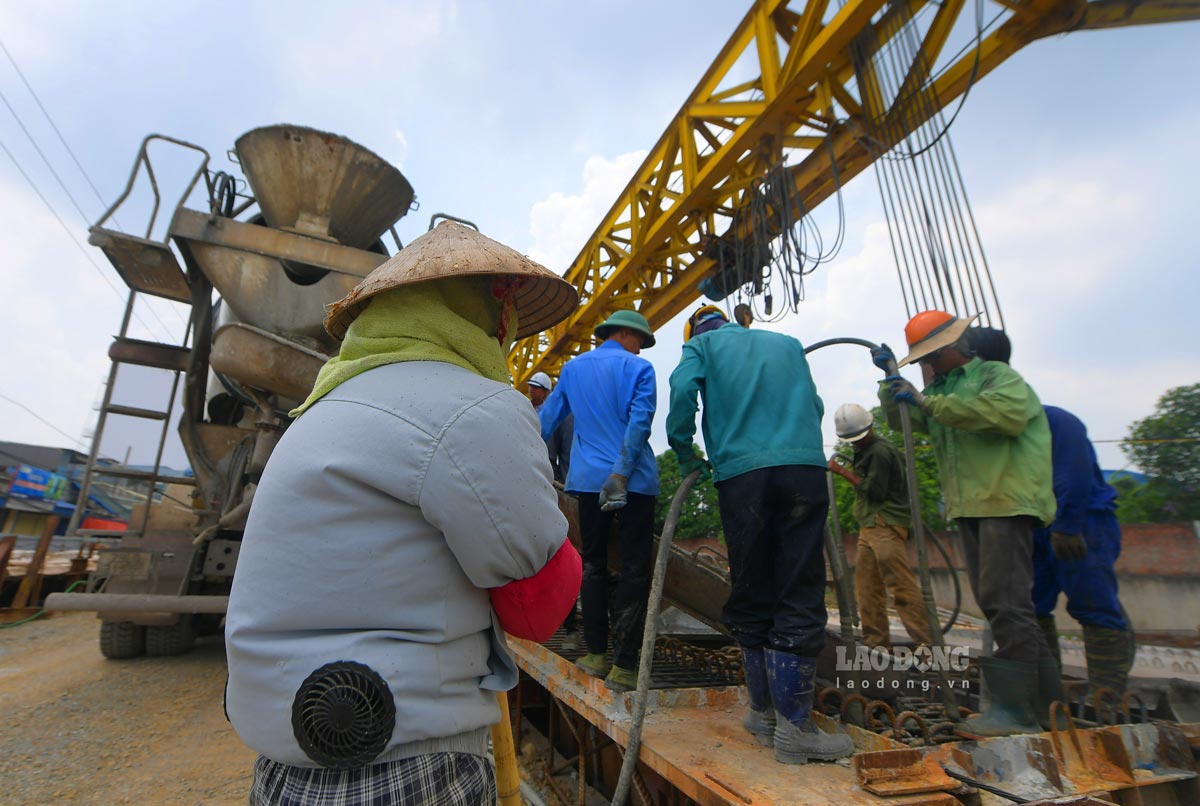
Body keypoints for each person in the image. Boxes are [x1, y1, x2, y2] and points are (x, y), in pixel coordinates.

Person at [225, 221, 583, 805]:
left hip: (290, 758)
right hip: (406, 767)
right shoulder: (479, 407)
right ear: (492, 315)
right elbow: (536, 608)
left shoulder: (317, 412)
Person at [666, 306, 854, 764]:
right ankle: (792, 721)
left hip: (742, 476)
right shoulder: (787, 344)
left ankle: (767, 715)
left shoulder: (701, 346)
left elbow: (681, 391)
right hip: (802, 469)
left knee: (751, 584)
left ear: (694, 331)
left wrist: (684, 449)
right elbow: (814, 405)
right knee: (798, 585)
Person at [877, 310, 1059, 736]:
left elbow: (1004, 415)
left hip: (1005, 500)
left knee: (1005, 602)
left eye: (931, 357)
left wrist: (926, 399)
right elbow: (904, 420)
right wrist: (890, 384)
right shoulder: (941, 390)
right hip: (972, 505)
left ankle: (1017, 712)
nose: (928, 366)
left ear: (951, 348)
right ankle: (1050, 706)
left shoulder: (996, 376)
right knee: (1000, 603)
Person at [966, 327, 1135, 695]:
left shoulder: (1057, 422)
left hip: (1080, 525)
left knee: (1095, 606)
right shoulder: (993, 433)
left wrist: (1068, 525)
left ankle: (1109, 696)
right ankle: (1048, 692)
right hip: (1032, 527)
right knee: (1030, 609)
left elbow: (1072, 478)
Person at [539, 309, 659, 693]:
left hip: (589, 482)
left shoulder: (573, 370)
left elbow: (544, 422)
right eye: (639, 340)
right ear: (625, 333)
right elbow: (640, 423)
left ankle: (595, 654)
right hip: (634, 482)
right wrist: (621, 474)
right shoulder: (640, 370)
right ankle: (625, 666)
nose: (640, 349)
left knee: (593, 564)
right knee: (635, 570)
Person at [828, 403, 933, 649]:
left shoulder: (880, 452)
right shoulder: (866, 450)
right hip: (870, 524)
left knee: (900, 585)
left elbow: (874, 492)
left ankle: (928, 645)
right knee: (866, 588)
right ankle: (876, 644)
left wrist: (841, 472)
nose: (857, 442)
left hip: (885, 523)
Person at [528, 372, 573, 484]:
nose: (531, 389)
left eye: (536, 387)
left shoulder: (550, 415)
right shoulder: (524, 407)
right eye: (531, 386)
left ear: (545, 392)